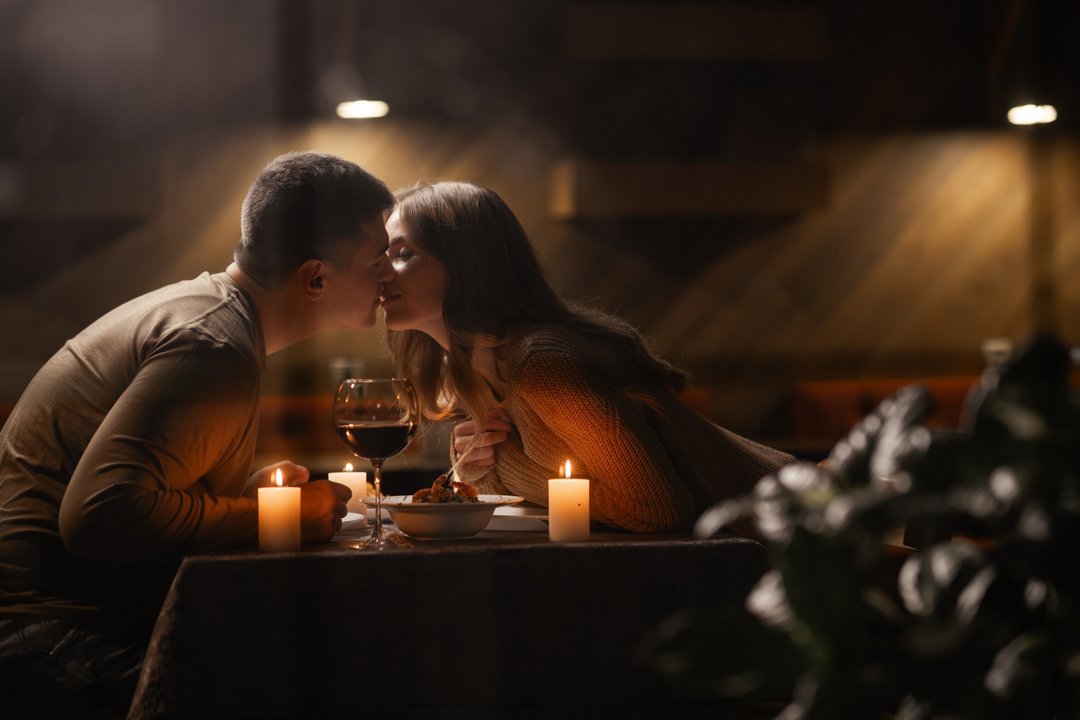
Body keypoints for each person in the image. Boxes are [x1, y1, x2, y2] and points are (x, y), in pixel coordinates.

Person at [0, 151, 395, 718]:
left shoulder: (213, 318)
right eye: (377, 260)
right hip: (47, 639)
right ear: (316, 277)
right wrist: (273, 517)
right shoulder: (213, 347)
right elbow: (99, 514)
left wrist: (238, 502)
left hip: (59, 626)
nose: (388, 277)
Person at [380, 180, 795, 534]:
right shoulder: (475, 369)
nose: (382, 273)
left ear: (466, 265)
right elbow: (528, 499)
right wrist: (478, 467)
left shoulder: (544, 361)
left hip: (801, 526)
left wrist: (506, 462)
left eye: (402, 254)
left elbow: (656, 511)